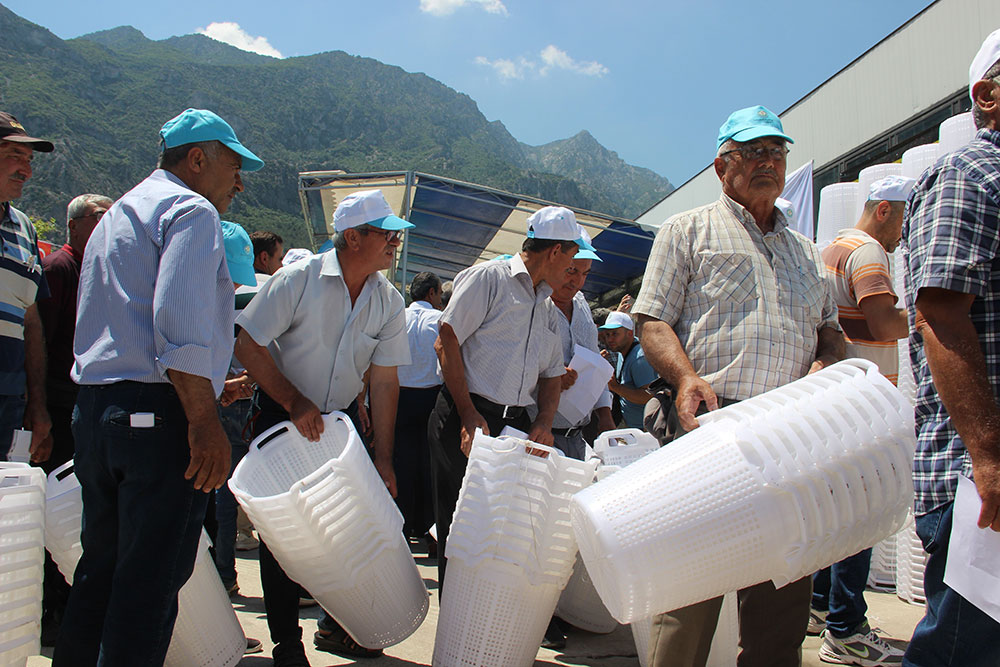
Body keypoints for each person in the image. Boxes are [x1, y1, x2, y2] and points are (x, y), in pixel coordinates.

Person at [632, 105, 844, 667]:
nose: (767, 162)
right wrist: (685, 376)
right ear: (722, 166)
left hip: (790, 437)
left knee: (782, 600)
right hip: (710, 425)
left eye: (776, 152)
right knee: (691, 595)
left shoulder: (806, 251)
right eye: (752, 152)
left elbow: (830, 330)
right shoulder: (688, 229)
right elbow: (651, 321)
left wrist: (825, 363)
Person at [56, 108, 264, 666]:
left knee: (99, 573)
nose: (239, 183)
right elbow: (179, 326)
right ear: (197, 159)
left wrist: (207, 390)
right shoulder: (191, 211)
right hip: (156, 419)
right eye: (234, 167)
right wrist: (203, 420)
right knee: (148, 587)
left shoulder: (118, 214)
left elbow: (127, 329)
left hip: (98, 411)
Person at [234, 189, 413, 666]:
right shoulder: (298, 280)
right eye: (387, 234)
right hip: (282, 417)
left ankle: (337, 626)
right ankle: (286, 643)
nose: (395, 243)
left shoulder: (388, 300)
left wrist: (383, 458)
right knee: (284, 536)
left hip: (341, 424)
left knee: (347, 527)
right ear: (353, 237)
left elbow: (385, 381)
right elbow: (248, 344)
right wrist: (293, 401)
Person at [900, 29, 1000, 666]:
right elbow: (940, 315)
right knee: (965, 653)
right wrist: (990, 459)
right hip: (979, 480)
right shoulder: (970, 175)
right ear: (988, 95)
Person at [428, 205, 593, 590]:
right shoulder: (489, 279)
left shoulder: (545, 305)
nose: (572, 270)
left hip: (514, 425)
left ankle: (487, 610)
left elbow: (551, 374)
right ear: (555, 251)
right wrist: (468, 414)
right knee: (459, 525)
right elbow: (446, 340)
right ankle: (456, 615)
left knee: (501, 530)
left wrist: (543, 422)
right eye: (572, 258)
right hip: (466, 415)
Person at [814, 175, 915, 666]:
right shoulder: (870, 251)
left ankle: (819, 605)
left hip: (837, 400)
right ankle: (846, 629)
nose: (903, 234)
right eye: (902, 220)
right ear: (884, 211)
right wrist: (935, 312)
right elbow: (884, 323)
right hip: (865, 405)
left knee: (835, 511)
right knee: (863, 513)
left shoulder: (832, 249)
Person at [36, 192, 112, 647]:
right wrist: (40, 409)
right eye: (100, 216)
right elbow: (43, 342)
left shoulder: (98, 267)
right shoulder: (60, 269)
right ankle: (53, 611)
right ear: (75, 225)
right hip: (59, 405)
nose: (107, 223)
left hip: (85, 404)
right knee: (55, 506)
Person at [0, 111, 52, 462]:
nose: (26, 170)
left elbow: (30, 322)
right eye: (14, 155)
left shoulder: (24, 229)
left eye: (29, 160)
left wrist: (37, 403)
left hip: (9, 403)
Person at [544, 241, 616, 460]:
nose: (577, 281)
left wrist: (605, 414)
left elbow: (594, 361)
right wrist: (549, 376)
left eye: (585, 274)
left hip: (578, 435)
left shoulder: (582, 302)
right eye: (571, 271)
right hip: (540, 433)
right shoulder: (534, 304)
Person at [395, 271, 444, 545]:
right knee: (429, 465)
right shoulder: (439, 319)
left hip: (398, 397)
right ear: (431, 293)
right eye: (439, 294)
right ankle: (429, 529)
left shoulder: (397, 317)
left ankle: (402, 527)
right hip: (430, 397)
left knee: (401, 463)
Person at [600, 311, 657, 429]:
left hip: (646, 428)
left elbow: (648, 396)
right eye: (607, 334)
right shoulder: (622, 351)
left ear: (629, 333)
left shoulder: (639, 359)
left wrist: (615, 387)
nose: (610, 339)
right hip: (634, 424)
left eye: (615, 334)